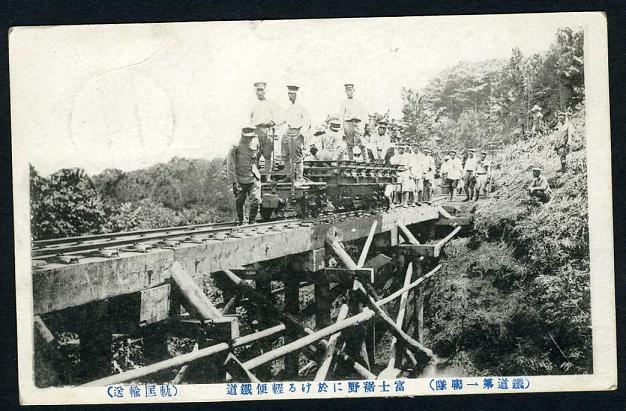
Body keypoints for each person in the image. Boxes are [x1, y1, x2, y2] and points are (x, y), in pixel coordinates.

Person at [227, 126, 262, 225]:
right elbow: (230, 165)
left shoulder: (255, 144)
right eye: (247, 137)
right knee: (240, 201)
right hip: (240, 178)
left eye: (251, 137)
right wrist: (234, 182)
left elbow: (256, 158)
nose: (249, 139)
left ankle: (252, 221)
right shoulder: (235, 146)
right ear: (242, 135)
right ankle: (242, 221)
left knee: (255, 200)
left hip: (253, 176)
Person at [280, 85, 311, 185]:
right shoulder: (289, 107)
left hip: (296, 132)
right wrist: (276, 123)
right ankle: (289, 175)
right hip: (288, 131)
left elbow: (308, 121)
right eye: (289, 94)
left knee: (297, 156)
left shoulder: (301, 107)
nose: (290, 96)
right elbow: (285, 119)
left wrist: (301, 134)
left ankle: (299, 178)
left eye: (292, 94)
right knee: (284, 154)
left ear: (296, 94)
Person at [250, 82, 278, 173]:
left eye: (261, 90)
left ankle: (268, 176)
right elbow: (249, 120)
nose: (260, 92)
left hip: (267, 131)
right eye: (258, 90)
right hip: (256, 132)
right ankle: (256, 177)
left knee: (267, 155)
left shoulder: (270, 103)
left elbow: (275, 118)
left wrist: (272, 124)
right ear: (255, 91)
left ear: (265, 90)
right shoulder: (252, 104)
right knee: (255, 155)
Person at [339, 83, 368, 161]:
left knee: (362, 142)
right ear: (345, 92)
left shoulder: (359, 101)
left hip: (357, 123)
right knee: (349, 144)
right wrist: (341, 127)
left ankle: (366, 160)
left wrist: (364, 125)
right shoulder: (344, 102)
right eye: (347, 90)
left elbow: (364, 113)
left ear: (353, 90)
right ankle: (351, 160)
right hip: (348, 123)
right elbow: (341, 115)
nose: (349, 92)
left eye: (350, 90)